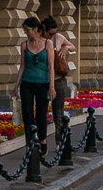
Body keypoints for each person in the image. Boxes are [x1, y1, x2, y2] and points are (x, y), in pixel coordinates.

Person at [11, 16, 55, 155]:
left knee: (41, 115)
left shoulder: (48, 44)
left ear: (35, 29)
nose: (26, 32)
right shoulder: (24, 45)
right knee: (27, 114)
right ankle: (29, 141)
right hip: (27, 83)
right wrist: (16, 86)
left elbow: (50, 67)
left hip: (43, 83)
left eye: (27, 30)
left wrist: (52, 86)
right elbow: (22, 66)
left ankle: (42, 141)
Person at [42, 16, 75, 129]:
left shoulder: (58, 38)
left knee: (58, 112)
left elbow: (73, 46)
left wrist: (66, 48)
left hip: (58, 79)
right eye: (50, 33)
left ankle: (59, 143)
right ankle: (42, 142)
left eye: (54, 33)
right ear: (43, 30)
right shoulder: (39, 41)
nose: (52, 36)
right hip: (43, 80)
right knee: (42, 112)